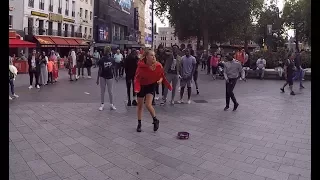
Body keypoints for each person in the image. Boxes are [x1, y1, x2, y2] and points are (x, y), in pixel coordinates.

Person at [134, 49, 172, 132]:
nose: (154, 57)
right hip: (141, 86)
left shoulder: (158, 65)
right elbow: (136, 78)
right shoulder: (141, 66)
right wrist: (136, 88)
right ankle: (139, 123)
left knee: (148, 104)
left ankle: (155, 120)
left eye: (154, 55)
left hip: (150, 85)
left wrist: (160, 81)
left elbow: (161, 75)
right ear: (147, 57)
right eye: (151, 55)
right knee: (140, 106)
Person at [96, 46, 116, 111]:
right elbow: (113, 69)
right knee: (109, 91)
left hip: (104, 76)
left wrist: (97, 79)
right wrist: (115, 76)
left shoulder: (103, 59)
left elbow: (100, 70)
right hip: (107, 76)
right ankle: (110, 104)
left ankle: (104, 104)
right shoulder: (109, 59)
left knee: (104, 91)